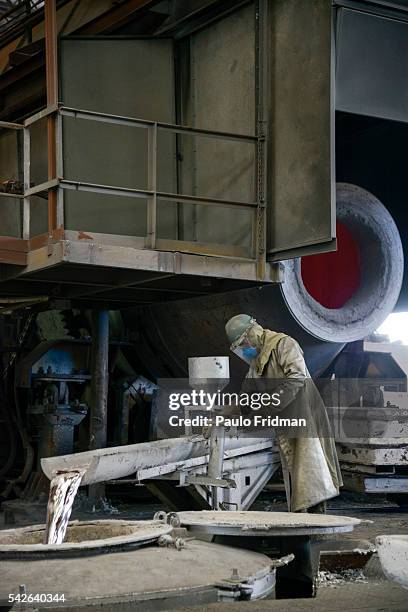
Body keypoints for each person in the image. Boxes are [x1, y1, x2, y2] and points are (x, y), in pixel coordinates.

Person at [225, 314, 342, 513]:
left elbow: (297, 377)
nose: (244, 349)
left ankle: (316, 527)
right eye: (240, 347)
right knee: (297, 476)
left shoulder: (284, 345)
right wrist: (223, 414)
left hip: (304, 416)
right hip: (285, 421)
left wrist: (270, 403)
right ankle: (302, 526)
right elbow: (246, 397)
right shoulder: (256, 365)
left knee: (312, 473)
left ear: (253, 333)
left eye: (244, 343)